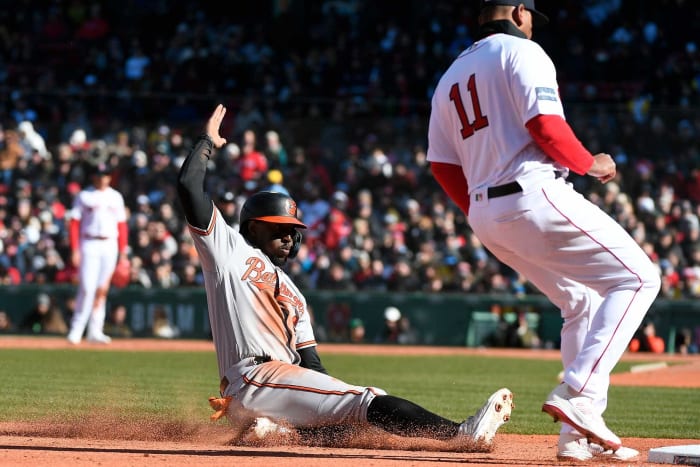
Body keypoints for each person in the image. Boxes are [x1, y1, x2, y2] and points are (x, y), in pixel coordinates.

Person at [177, 104, 513, 448]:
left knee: (353, 424)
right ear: (252, 228)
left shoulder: (295, 293)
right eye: (279, 228)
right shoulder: (228, 251)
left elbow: (312, 366)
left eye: (293, 231)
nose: (289, 236)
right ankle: (460, 434)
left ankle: (280, 432)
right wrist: (207, 142)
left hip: (281, 384)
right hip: (254, 378)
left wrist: (330, 398)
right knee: (366, 400)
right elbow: (189, 186)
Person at [426, 1, 660, 461]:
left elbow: (441, 164)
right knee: (639, 278)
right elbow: (545, 126)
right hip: (531, 193)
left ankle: (575, 439)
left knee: (581, 300)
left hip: (485, 212)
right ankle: (577, 393)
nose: (532, 24)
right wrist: (590, 163)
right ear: (518, 11)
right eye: (532, 16)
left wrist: (479, 209)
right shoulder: (523, 52)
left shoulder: (449, 77)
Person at [66, 162, 129, 344]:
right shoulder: (84, 195)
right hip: (89, 242)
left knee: (102, 289)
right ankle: (77, 329)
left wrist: (123, 251)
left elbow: (122, 225)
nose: (102, 178)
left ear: (110, 177)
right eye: (100, 175)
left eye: (106, 175)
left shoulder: (116, 197)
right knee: (87, 287)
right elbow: (74, 224)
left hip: (109, 244)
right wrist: (74, 248)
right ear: (94, 176)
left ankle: (95, 330)